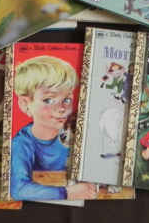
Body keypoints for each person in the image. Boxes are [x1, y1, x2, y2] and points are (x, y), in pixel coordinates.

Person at [10, 56, 97, 201]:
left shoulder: (74, 135)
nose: (62, 108)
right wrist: (67, 193)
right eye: (49, 100)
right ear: (25, 104)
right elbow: (18, 189)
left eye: (67, 99)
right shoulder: (22, 143)